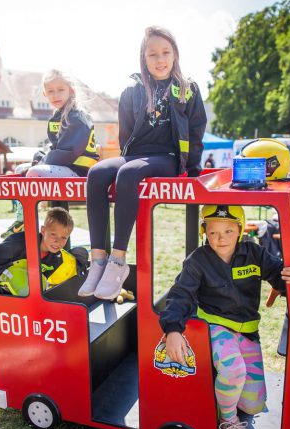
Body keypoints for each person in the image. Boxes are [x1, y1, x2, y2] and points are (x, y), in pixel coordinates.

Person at [159, 205, 290, 429]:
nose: (220, 238)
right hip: (214, 326)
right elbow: (180, 295)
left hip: (248, 332)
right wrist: (172, 330)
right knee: (234, 370)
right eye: (213, 232)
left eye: (228, 231)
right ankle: (228, 422)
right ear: (204, 232)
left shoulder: (254, 253)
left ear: (240, 231)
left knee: (253, 405)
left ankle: (223, 396)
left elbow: (282, 275)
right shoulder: (198, 260)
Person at [79, 25, 207, 300]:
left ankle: (118, 261)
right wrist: (126, 157)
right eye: (153, 54)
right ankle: (98, 260)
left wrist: (193, 172)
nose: (160, 60)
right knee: (97, 173)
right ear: (143, 58)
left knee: (128, 173)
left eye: (166, 53)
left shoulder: (187, 89)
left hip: (169, 157)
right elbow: (125, 134)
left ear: (175, 54)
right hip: (136, 155)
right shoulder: (132, 90)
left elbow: (196, 131)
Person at [0, 207, 88, 297]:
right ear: (43, 230)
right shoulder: (18, 244)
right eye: (53, 235)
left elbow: (76, 262)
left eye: (64, 237)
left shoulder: (58, 258)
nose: (58, 241)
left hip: (33, 304)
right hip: (3, 297)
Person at [24, 69, 99, 178]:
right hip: (64, 166)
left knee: (34, 172)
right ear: (45, 94)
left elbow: (68, 153)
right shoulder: (56, 118)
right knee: (21, 168)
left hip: (79, 170)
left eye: (60, 90)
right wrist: (40, 158)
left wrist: (41, 162)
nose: (55, 95)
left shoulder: (77, 118)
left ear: (71, 91)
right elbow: (55, 148)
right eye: (50, 91)